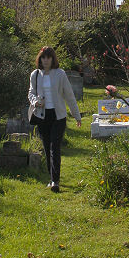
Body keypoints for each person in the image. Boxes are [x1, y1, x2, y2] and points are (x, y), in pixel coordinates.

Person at [28, 46, 82, 193]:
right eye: (43, 57)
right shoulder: (35, 75)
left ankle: (55, 181)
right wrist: (35, 102)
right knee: (46, 147)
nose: (46, 60)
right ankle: (51, 178)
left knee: (55, 147)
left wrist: (76, 115)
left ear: (53, 59)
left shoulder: (60, 74)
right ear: (40, 59)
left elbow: (69, 95)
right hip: (42, 115)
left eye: (48, 57)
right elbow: (31, 92)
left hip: (58, 116)